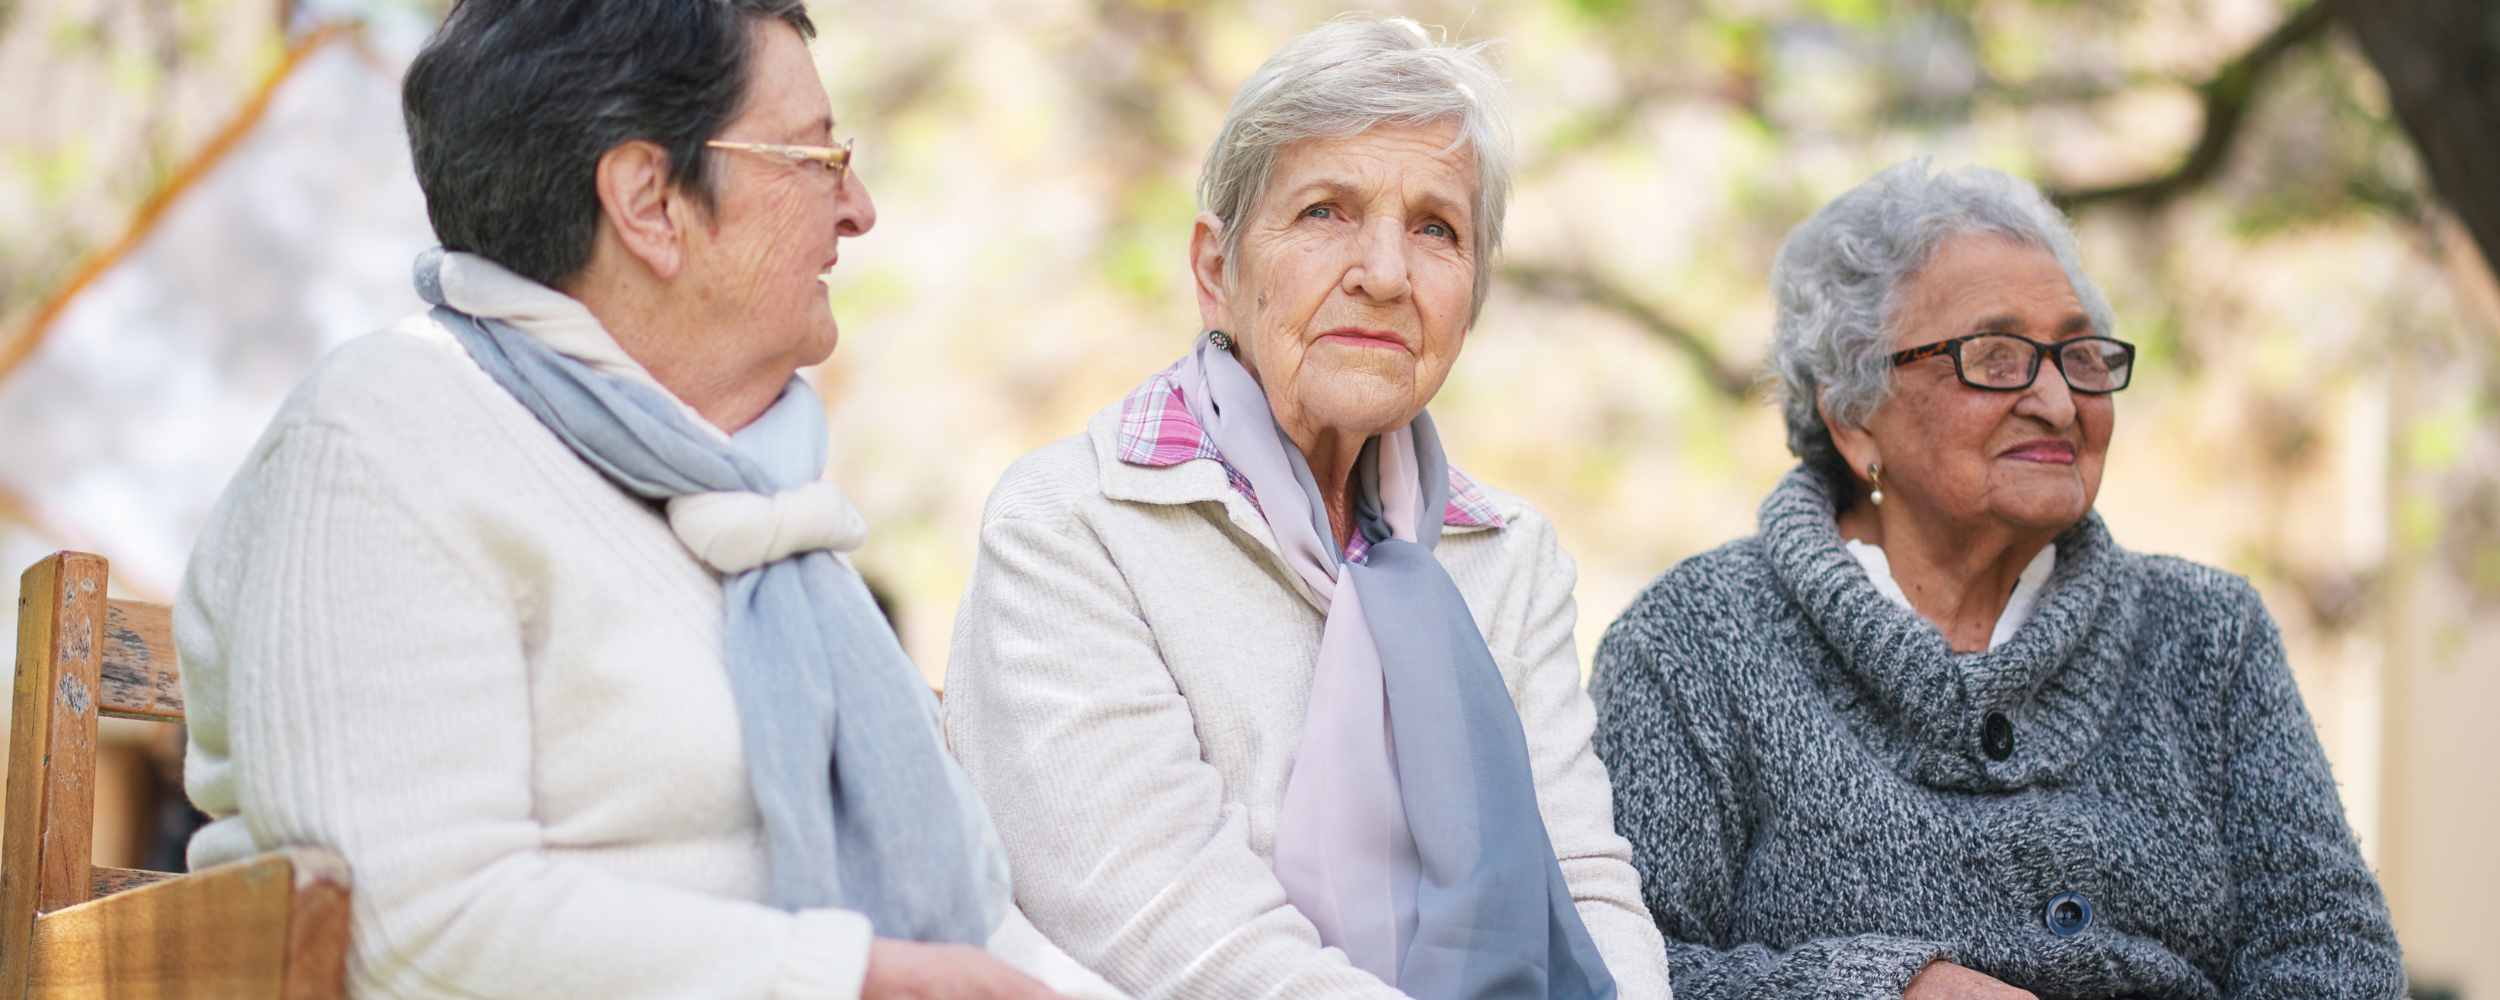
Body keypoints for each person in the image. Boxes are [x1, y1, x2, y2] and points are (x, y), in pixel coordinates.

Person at [175, 1, 1119, 997]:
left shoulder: (754, 517)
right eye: (814, 158)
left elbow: (977, 923)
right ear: (651, 203)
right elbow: (408, 926)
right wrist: (865, 979)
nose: (859, 208)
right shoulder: (386, 435)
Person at [941, 15, 1673, 1000]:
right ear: (1215, 270)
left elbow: (1587, 885)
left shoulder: (1505, 552)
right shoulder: (1073, 523)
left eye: (1434, 228)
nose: (1383, 272)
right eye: (1325, 211)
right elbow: (1167, 924)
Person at [1588, 160, 2405, 999]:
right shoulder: (1690, 646)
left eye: (2081, 355)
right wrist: (1891, 991)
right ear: (1853, 416)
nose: (2058, 401)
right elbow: (1621, 969)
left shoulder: (2209, 632)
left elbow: (2332, 955)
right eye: (1998, 356)